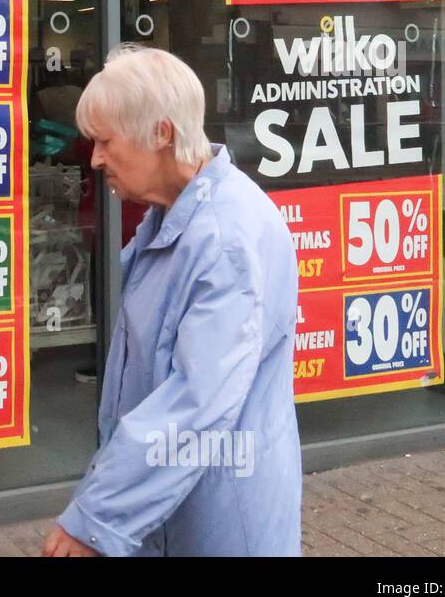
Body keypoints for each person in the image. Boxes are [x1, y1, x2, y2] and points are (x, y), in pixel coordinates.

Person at [42, 45, 302, 557]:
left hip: (218, 523)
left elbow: (194, 403)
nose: (94, 159)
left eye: (105, 141)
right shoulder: (176, 217)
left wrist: (98, 519)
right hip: (181, 512)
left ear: (161, 133)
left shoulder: (224, 240)